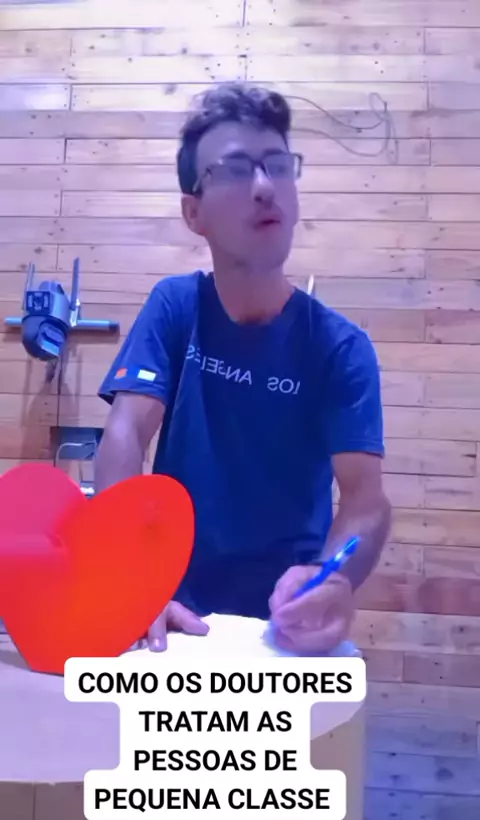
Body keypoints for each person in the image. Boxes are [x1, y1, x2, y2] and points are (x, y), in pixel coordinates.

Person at [95, 82, 391, 654]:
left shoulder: (341, 348)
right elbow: (126, 431)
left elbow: (365, 500)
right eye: (234, 169)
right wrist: (132, 575)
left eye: (277, 165)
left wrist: (333, 578)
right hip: (167, 614)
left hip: (283, 631)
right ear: (194, 213)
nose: (264, 186)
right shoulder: (177, 306)